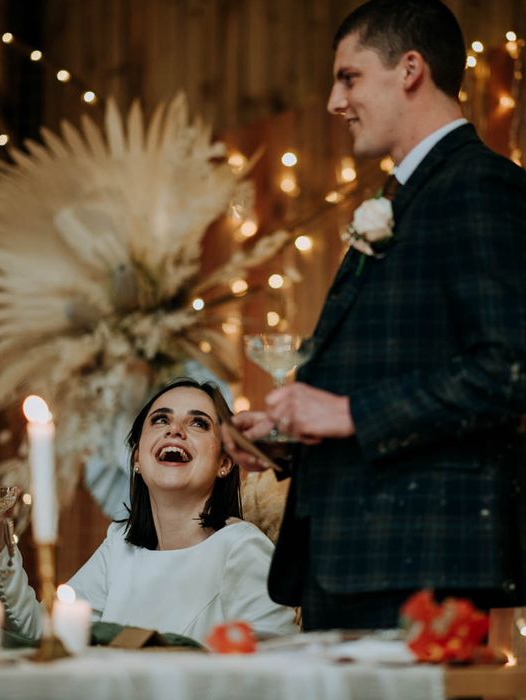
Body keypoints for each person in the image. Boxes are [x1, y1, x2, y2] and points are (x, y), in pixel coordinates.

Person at [223, 0, 526, 630]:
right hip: (361, 556)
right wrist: (291, 440)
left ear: (410, 68)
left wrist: (346, 412)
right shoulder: (403, 197)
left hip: (418, 555)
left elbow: (508, 369)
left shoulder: (477, 186)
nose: (335, 102)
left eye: (349, 77)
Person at [0, 378, 298, 643]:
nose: (175, 431)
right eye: (160, 420)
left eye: (198, 423)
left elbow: (275, 664)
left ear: (224, 463)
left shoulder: (242, 547)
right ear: (137, 459)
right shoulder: (120, 545)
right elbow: (50, 632)